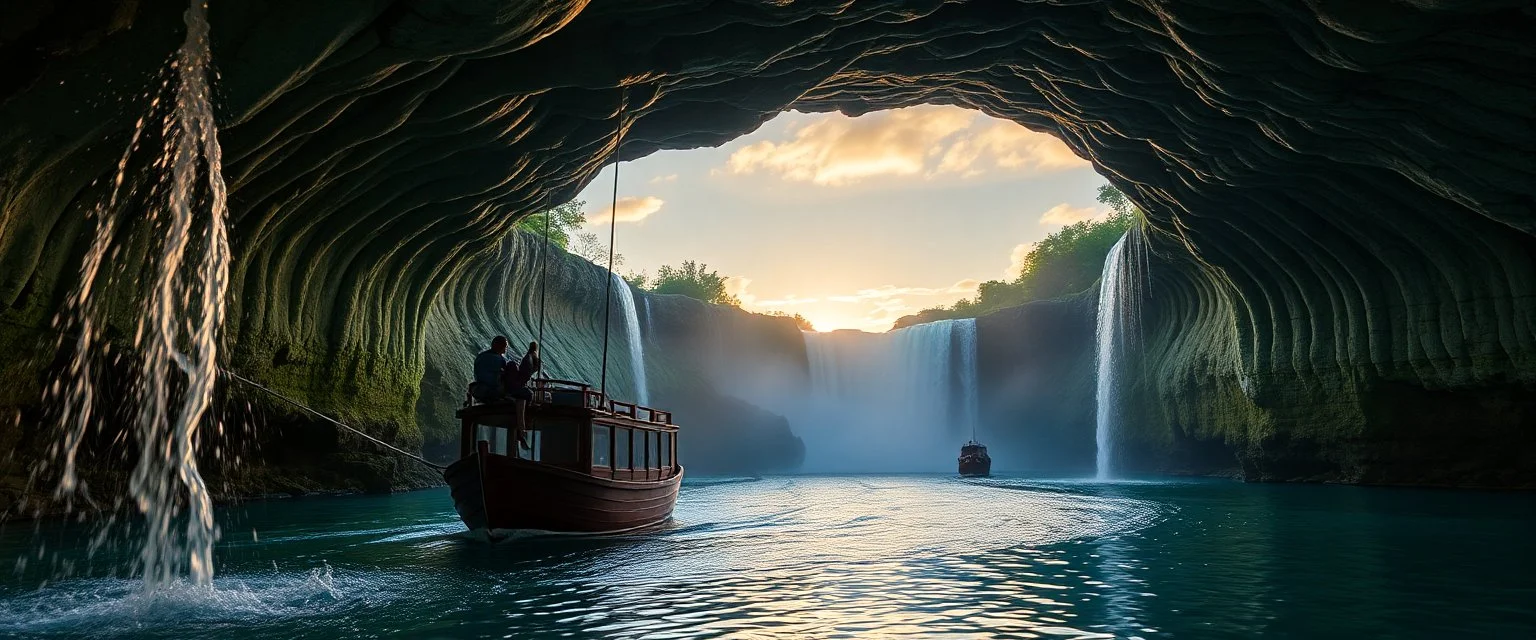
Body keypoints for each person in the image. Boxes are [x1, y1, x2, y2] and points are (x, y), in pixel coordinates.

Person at [502, 341, 541, 447]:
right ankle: (524, 424)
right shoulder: (530, 359)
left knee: (527, 394)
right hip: (514, 388)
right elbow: (523, 377)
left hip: (513, 387)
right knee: (529, 395)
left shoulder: (528, 357)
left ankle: (522, 428)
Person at [471, 336, 511, 404]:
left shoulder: (481, 355)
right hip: (491, 393)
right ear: (501, 347)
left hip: (477, 390)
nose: (506, 349)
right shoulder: (500, 360)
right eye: (505, 347)